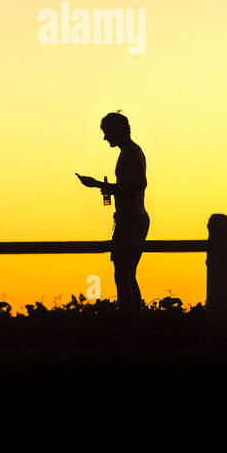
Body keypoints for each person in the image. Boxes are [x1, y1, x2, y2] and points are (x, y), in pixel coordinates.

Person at [75, 112, 149, 326]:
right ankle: (136, 321)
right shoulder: (130, 152)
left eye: (107, 133)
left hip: (131, 221)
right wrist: (104, 186)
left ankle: (129, 323)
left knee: (123, 275)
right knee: (127, 274)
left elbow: (139, 185)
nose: (105, 138)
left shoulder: (131, 153)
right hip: (131, 219)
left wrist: (102, 186)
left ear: (117, 132)